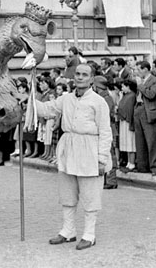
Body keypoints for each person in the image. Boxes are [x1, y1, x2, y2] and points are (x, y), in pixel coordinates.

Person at [36, 63, 112, 251]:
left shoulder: (98, 102)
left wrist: (102, 159)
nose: (79, 77)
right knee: (67, 192)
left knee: (90, 193)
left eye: (84, 75)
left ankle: (89, 234)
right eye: (77, 74)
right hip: (68, 148)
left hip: (89, 149)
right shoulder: (66, 99)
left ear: (92, 79)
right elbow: (46, 110)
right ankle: (68, 230)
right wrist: (28, 99)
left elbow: (105, 131)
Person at [133, 61, 156, 175]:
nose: (138, 72)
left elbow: (151, 94)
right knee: (139, 140)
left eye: (139, 70)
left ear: (146, 69)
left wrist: (140, 85)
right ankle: (142, 166)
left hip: (148, 111)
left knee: (151, 141)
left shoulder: (155, 80)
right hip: (138, 108)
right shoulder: (139, 80)